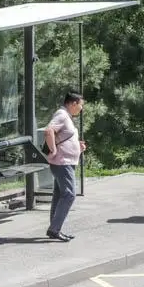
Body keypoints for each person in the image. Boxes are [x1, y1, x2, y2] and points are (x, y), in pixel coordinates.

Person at [44, 91, 86, 241]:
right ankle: (54, 229)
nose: (81, 108)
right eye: (81, 105)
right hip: (63, 163)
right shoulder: (62, 115)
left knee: (59, 195)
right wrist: (53, 150)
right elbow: (49, 130)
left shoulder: (65, 116)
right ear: (73, 103)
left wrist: (77, 145)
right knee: (69, 195)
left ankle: (54, 227)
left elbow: (62, 136)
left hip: (64, 162)